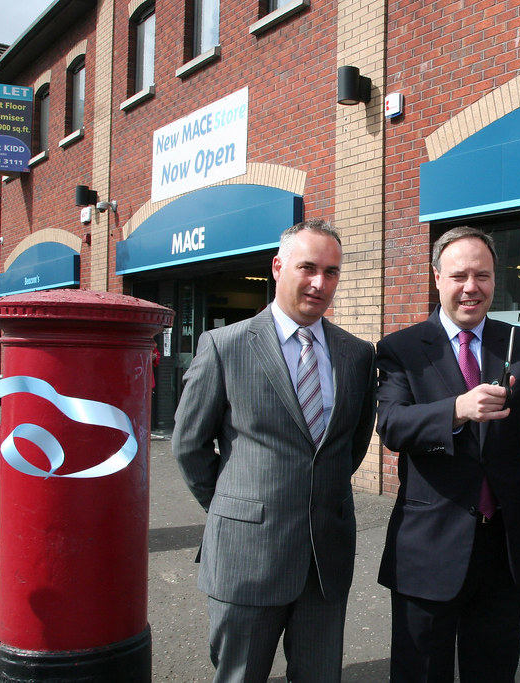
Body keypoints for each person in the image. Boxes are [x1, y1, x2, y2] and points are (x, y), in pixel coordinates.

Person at [172, 219, 377, 683]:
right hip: (247, 557)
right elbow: (189, 446)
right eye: (308, 268)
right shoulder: (225, 346)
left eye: (331, 271)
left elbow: (351, 443)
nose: (319, 283)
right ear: (278, 267)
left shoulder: (358, 354)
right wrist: (234, 507)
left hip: (325, 559)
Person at [375, 226, 520, 682]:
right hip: (429, 546)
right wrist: (456, 410)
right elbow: (392, 425)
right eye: (459, 275)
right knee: (420, 672)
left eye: (482, 275)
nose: (471, 287)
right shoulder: (401, 349)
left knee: (494, 670)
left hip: (503, 544)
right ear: (437, 277)